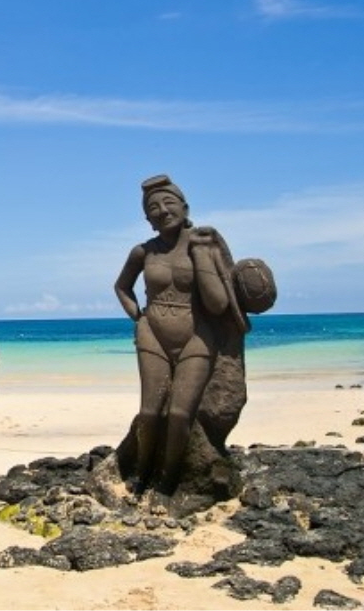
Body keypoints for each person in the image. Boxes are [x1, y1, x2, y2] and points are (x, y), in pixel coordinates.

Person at [113, 174, 247, 499]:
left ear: (185, 207)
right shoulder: (143, 252)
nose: (162, 210)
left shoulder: (204, 245)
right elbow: (121, 287)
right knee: (150, 412)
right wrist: (139, 318)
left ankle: (168, 480)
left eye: (169, 203)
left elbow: (217, 304)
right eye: (153, 208)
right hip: (153, 335)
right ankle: (142, 470)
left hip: (197, 337)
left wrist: (201, 255)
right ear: (147, 219)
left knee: (179, 414)